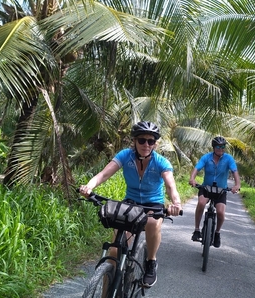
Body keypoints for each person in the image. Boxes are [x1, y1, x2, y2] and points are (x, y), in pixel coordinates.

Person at [79, 121, 182, 287]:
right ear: (134, 141)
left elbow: (171, 186)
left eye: (151, 141)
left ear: (155, 144)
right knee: (113, 253)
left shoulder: (161, 162)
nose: (146, 145)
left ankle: (150, 262)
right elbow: (103, 175)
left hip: (153, 204)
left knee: (152, 223)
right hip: (131, 204)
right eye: (142, 140)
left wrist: (176, 203)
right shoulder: (125, 156)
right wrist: (89, 187)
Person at [189, 136, 240, 248]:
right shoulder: (206, 157)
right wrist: (192, 179)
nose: (220, 148)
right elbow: (197, 168)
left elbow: (234, 172)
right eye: (218, 146)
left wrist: (237, 185)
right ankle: (197, 230)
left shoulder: (228, 159)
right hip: (206, 188)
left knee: (221, 213)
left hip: (221, 190)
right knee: (201, 203)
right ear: (213, 147)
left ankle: (217, 233)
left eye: (223, 146)